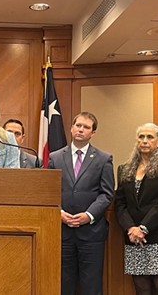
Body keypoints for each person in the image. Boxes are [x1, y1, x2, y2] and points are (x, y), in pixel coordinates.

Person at [48, 111, 114, 295]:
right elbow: (48, 192)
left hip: (91, 234)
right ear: (71, 128)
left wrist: (89, 215)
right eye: (78, 125)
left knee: (91, 286)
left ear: (93, 133)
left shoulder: (103, 158)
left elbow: (106, 194)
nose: (81, 130)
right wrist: (59, 214)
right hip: (62, 232)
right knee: (63, 284)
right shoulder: (55, 157)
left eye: (86, 127)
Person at [114, 123, 158, 295]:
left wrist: (144, 228)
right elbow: (120, 203)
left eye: (150, 137)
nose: (145, 141)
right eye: (141, 137)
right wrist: (131, 228)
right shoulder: (125, 168)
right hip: (133, 236)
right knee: (140, 285)